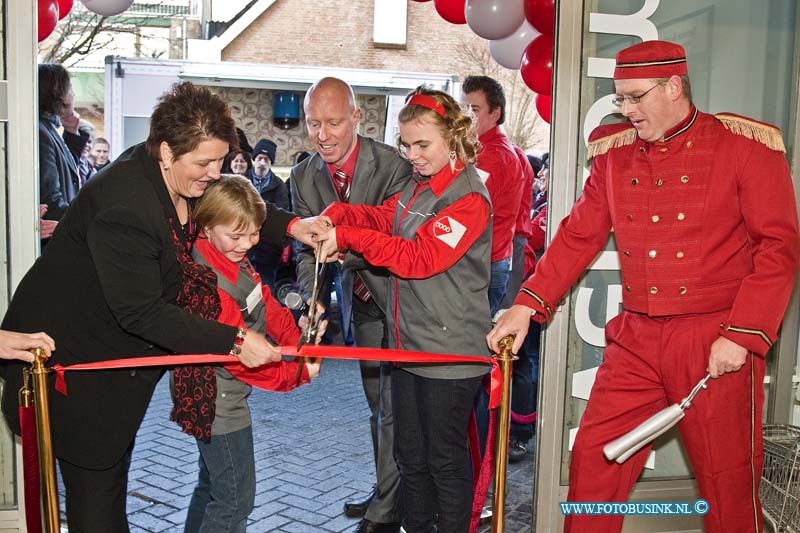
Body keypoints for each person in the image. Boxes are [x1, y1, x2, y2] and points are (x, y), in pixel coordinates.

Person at [487, 40, 800, 533]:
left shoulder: (745, 147)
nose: (628, 110)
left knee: (727, 486)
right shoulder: (615, 156)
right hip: (636, 341)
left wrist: (743, 334)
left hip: (715, 336)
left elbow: (778, 247)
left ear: (674, 86)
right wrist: (528, 303)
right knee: (594, 462)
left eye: (636, 97)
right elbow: (578, 235)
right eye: (621, 100)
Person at [0, 82, 325, 532]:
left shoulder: (171, 169)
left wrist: (293, 227)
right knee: (99, 509)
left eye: (220, 160)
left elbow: (226, 202)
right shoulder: (126, 206)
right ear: (169, 152)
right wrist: (234, 341)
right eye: (205, 163)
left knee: (110, 487)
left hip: (116, 374)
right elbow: (142, 313)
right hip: (72, 374)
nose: (216, 173)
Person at [318, 86, 492, 533]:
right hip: (408, 347)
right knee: (411, 457)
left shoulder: (468, 198)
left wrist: (350, 237)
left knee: (444, 462)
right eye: (405, 145)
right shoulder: (419, 187)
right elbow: (386, 218)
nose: (411, 155)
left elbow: (419, 258)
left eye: (421, 145)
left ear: (452, 139)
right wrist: (344, 215)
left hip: (449, 354)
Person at [290, 77, 411, 533]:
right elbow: (305, 252)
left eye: (334, 122)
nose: (323, 135)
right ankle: (385, 490)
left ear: (357, 118)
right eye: (314, 123)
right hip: (359, 306)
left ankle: (387, 511)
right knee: (376, 405)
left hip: (401, 301)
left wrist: (344, 246)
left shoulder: (394, 166)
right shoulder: (303, 177)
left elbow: (398, 237)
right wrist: (312, 300)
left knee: (394, 409)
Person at [182, 174, 324, 533]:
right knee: (235, 500)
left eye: (255, 233)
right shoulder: (206, 279)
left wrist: (298, 337)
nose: (246, 243)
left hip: (219, 392)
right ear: (206, 225)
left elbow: (266, 303)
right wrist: (298, 374)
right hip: (218, 399)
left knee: (212, 486)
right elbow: (245, 362)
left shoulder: (229, 254)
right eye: (236, 235)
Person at [461, 75, 524, 316]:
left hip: (483, 264)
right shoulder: (482, 148)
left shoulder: (493, 155)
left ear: (495, 113)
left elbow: (466, 211)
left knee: (471, 344)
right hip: (484, 261)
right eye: (463, 108)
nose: (465, 115)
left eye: (474, 109)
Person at [37, 64, 79, 228]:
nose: (73, 94)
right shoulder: (42, 133)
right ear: (59, 94)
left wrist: (71, 133)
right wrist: (82, 223)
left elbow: (67, 173)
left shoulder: (48, 130)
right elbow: (50, 199)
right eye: (70, 88)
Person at [248, 139, 291, 290]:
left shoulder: (279, 185)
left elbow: (282, 214)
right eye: (259, 158)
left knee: (266, 291)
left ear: (271, 162)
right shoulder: (242, 181)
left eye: (266, 159)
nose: (262, 162)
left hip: (268, 251)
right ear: (254, 159)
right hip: (242, 249)